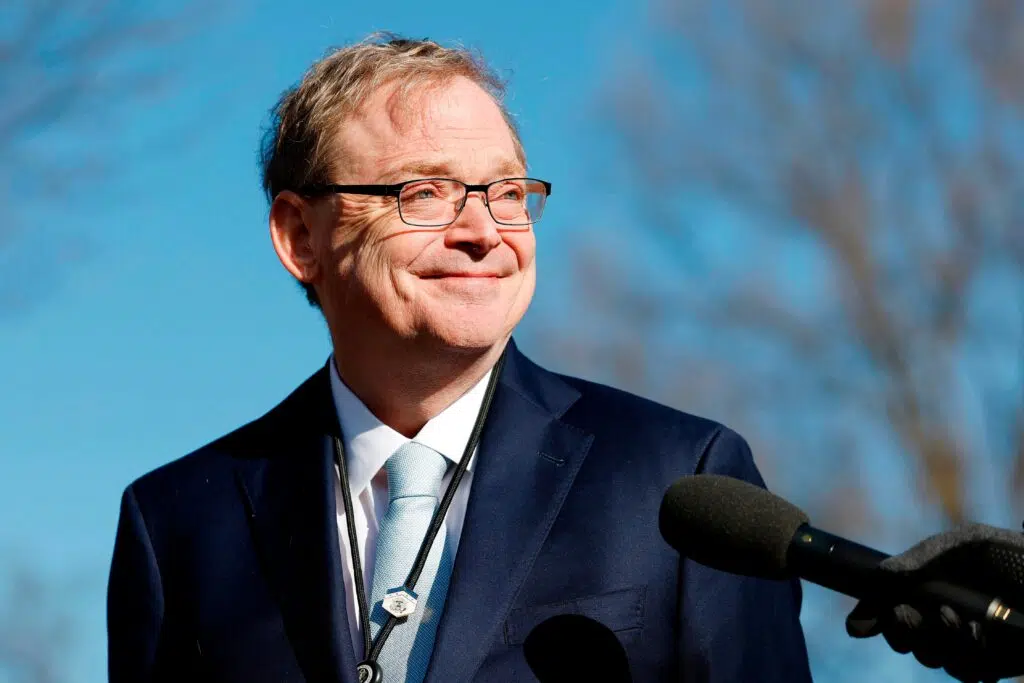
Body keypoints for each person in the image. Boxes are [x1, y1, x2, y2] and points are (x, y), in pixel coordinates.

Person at [106, 35, 813, 682]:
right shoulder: (176, 523)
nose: (484, 230)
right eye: (425, 193)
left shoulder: (681, 479)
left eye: (507, 193)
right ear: (300, 237)